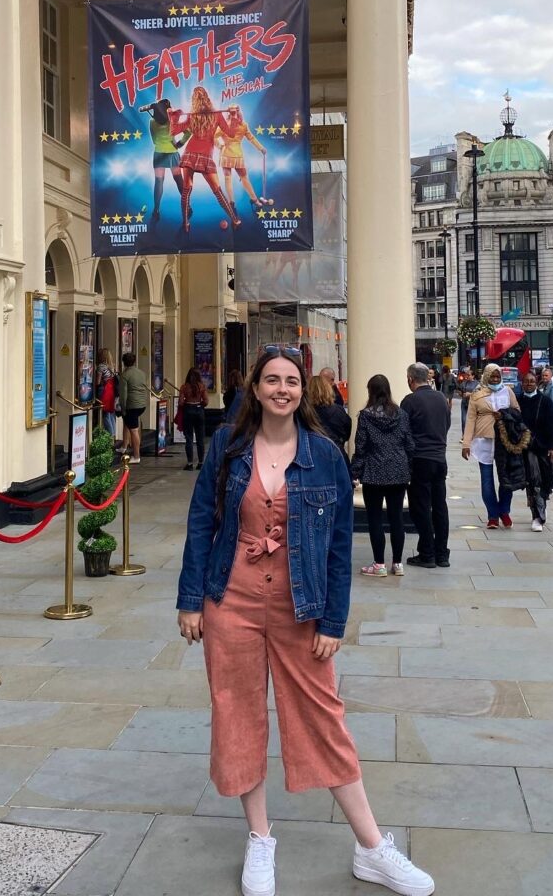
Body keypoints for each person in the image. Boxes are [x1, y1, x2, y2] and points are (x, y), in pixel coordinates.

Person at [175, 350, 434, 896]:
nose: (282, 389)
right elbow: (203, 520)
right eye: (272, 379)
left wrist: (334, 621)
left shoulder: (324, 455)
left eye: (291, 380)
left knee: (323, 718)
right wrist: (191, 600)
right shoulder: (228, 445)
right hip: (232, 600)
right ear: (256, 387)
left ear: (303, 391)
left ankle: (371, 847)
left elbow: (340, 545)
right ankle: (260, 839)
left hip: (302, 607)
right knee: (237, 715)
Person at [350, 374, 415, 577]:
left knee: (375, 519)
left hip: (373, 472)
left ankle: (379, 564)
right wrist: (408, 467)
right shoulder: (401, 414)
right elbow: (409, 444)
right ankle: (397, 563)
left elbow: (360, 446)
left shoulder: (366, 416)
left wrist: (355, 471)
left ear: (370, 391)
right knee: (397, 518)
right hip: (398, 471)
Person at [401, 362, 452, 568]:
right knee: (440, 506)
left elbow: (403, 432)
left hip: (420, 459)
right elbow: (447, 424)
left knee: (421, 507)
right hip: (440, 458)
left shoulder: (410, 401)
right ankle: (442, 554)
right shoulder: (440, 398)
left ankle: (427, 553)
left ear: (411, 379)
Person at [170, 86, 239, 232]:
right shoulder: (217, 115)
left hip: (190, 154)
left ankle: (185, 224)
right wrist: (233, 116)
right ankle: (235, 220)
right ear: (207, 97)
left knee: (186, 190)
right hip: (205, 156)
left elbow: (174, 131)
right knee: (218, 191)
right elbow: (232, 133)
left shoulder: (192, 116)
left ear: (194, 100)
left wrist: (173, 117)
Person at [462, 364, 520, 529]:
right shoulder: (477, 394)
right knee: (487, 481)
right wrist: (466, 444)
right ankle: (493, 515)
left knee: (506, 479)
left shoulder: (507, 391)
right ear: (486, 376)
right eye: (492, 377)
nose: (495, 379)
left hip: (505, 441)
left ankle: (504, 511)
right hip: (484, 441)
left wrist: (504, 414)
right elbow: (471, 419)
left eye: (497, 376)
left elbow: (517, 412)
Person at [518, 371, 553, 532]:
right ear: (522, 384)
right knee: (533, 481)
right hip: (525, 448)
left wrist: (552, 447)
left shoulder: (545, 402)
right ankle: (538, 516)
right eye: (526, 382)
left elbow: (552, 426)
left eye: (532, 382)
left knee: (545, 481)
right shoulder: (518, 401)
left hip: (543, 447)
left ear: (537, 383)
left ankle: (541, 506)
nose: (529, 384)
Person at [216, 103, 268, 215]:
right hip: (237, 155)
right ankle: (255, 200)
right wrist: (261, 148)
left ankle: (231, 203)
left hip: (226, 154)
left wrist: (220, 146)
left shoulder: (224, 125)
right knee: (243, 178)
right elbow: (251, 138)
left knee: (228, 178)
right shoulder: (243, 125)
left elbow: (213, 136)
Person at [146, 98, 188, 222]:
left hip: (158, 153)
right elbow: (188, 133)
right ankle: (188, 207)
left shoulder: (152, 121)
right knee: (179, 181)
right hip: (172, 153)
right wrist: (179, 144)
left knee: (159, 182)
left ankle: (156, 210)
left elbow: (154, 140)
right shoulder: (173, 121)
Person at [308, 374, 352, 454]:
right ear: (328, 390)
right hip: (336, 453)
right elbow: (347, 430)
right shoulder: (338, 410)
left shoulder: (303, 413)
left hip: (312, 454)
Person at [119, 352, 148, 464]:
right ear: (134, 361)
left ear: (123, 362)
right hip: (142, 404)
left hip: (132, 405)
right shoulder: (141, 373)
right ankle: (124, 446)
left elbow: (123, 394)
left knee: (134, 430)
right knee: (128, 423)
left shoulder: (125, 375)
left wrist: (123, 408)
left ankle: (136, 456)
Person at [178, 366, 209, 471]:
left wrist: (186, 401)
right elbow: (206, 401)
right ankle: (200, 463)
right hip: (199, 411)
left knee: (189, 438)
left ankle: (190, 463)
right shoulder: (202, 386)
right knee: (200, 439)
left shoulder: (184, 387)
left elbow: (181, 402)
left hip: (188, 411)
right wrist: (200, 404)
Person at [539, 366, 553, 466]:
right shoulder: (545, 386)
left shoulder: (552, 387)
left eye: (546, 376)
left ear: (551, 376)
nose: (544, 377)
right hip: (545, 417)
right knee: (552, 437)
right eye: (543, 375)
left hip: (551, 417)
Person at [457, 366, 479, 434]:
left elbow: (479, 393)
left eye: (469, 375)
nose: (467, 376)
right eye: (467, 375)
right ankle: (464, 435)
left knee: (473, 420)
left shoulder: (477, 384)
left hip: (473, 404)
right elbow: (460, 390)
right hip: (464, 403)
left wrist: (470, 394)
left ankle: (472, 434)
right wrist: (460, 393)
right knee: (464, 420)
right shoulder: (464, 382)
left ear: (473, 376)